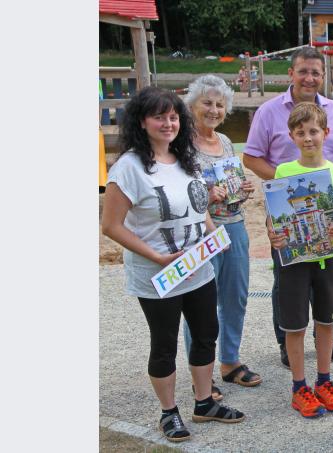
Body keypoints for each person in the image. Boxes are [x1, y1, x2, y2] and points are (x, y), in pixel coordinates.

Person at [101, 87, 245, 443]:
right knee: (164, 344)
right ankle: (169, 412)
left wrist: (214, 237)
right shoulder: (129, 168)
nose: (168, 123)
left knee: (205, 334)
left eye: (173, 116)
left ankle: (203, 402)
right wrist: (157, 257)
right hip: (158, 274)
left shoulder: (186, 158)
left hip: (198, 267)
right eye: (159, 117)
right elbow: (111, 226)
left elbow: (199, 206)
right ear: (141, 121)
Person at [243, 46, 333, 367]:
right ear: (291, 74)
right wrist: (288, 183)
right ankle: (287, 340)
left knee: (324, 276)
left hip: (325, 208)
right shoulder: (269, 112)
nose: (309, 78)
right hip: (286, 206)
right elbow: (251, 157)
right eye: (303, 72)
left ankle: (325, 338)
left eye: (316, 73)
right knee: (287, 278)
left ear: (323, 76)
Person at [266, 102, 333, 418]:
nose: (308, 138)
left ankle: (324, 381)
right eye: (300, 132)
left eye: (313, 131)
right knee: (295, 324)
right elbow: (273, 218)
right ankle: (299, 386)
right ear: (292, 136)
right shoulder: (284, 171)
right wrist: (273, 235)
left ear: (326, 133)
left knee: (326, 321)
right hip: (293, 261)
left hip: (329, 257)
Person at [180, 75, 260, 400]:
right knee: (201, 304)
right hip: (202, 232)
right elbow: (183, 195)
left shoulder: (226, 141)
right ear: (192, 106)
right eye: (207, 103)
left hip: (235, 225)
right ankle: (203, 374)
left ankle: (230, 361)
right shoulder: (182, 145)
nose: (213, 110)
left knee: (235, 297)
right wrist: (208, 198)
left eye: (219, 104)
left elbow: (230, 185)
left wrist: (242, 189)